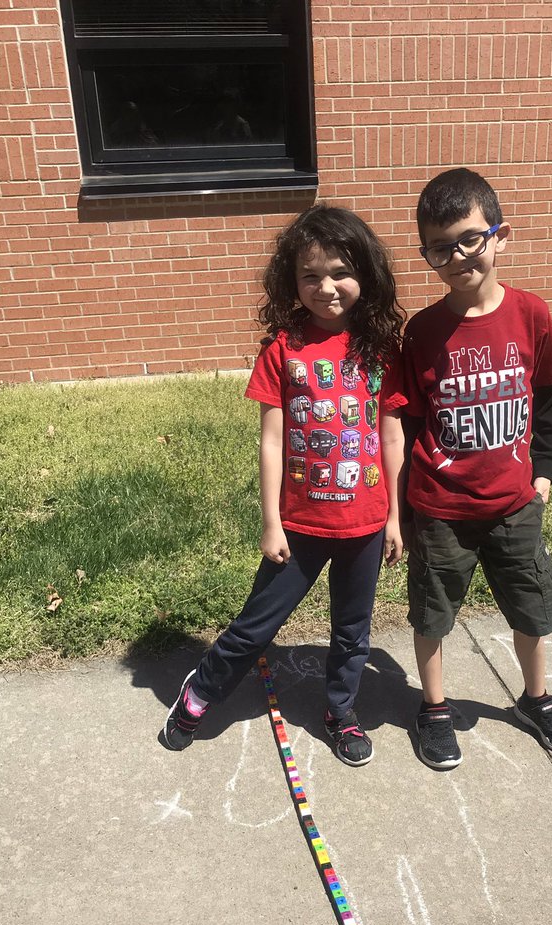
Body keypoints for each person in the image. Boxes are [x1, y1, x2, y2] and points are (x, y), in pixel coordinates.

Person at [161, 205, 406, 765]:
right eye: (310, 275)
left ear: (365, 274)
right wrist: (271, 520)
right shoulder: (284, 348)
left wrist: (394, 516)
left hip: (365, 523)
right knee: (255, 626)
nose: (326, 287)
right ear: (291, 282)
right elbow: (272, 440)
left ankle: (341, 714)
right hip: (298, 526)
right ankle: (200, 691)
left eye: (340, 272)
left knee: (352, 632)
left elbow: (390, 437)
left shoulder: (380, 350)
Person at [391, 168, 552, 769]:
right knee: (432, 610)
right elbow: (409, 424)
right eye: (440, 246)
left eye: (470, 238)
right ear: (427, 254)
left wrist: (544, 469)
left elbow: (548, 396)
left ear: (500, 236)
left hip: (514, 502)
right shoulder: (421, 332)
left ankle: (535, 698)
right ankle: (435, 707)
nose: (458, 255)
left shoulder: (532, 314)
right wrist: (403, 509)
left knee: (530, 607)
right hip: (441, 507)